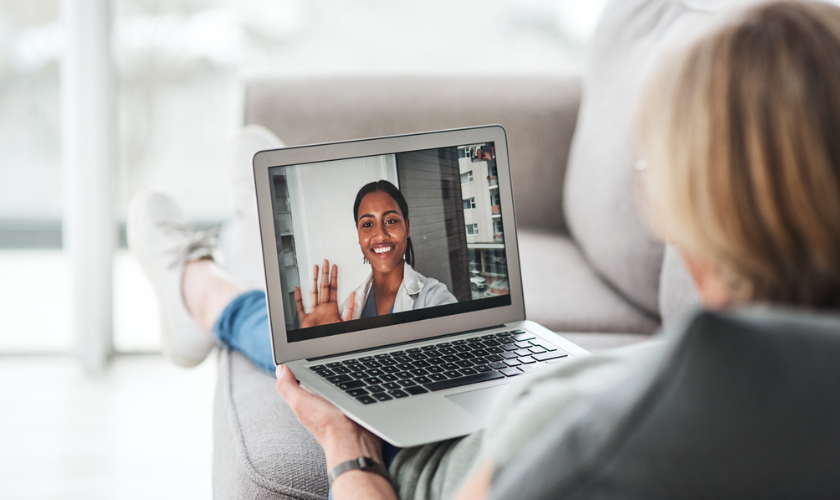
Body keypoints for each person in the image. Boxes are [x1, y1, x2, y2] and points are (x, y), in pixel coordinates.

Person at [128, 1, 840, 498]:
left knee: (314, 349)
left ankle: (202, 286)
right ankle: (224, 266)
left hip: (442, 446)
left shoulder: (582, 440)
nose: (380, 237)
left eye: (650, 166)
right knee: (324, 332)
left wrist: (346, 448)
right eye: (365, 224)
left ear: (684, 198)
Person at [293, 180, 457, 329]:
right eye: (368, 224)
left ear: (407, 227)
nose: (380, 235)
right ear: (358, 235)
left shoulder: (434, 297)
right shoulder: (346, 310)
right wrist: (322, 344)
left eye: (391, 221)